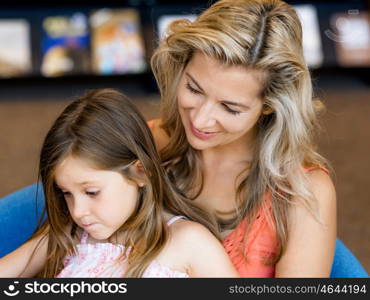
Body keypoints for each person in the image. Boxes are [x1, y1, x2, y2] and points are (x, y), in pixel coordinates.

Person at [0, 0, 367, 278]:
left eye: (231, 107)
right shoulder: (149, 141)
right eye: (193, 88)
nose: (202, 119)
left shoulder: (302, 191)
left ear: (270, 107)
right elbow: (63, 237)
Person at [0, 89, 238, 278]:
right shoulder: (70, 233)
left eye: (92, 192)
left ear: (141, 173)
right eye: (66, 194)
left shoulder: (190, 242)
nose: (78, 211)